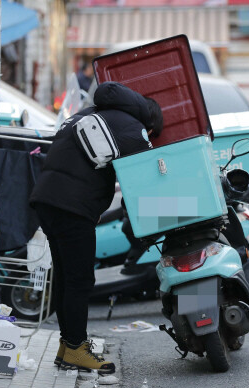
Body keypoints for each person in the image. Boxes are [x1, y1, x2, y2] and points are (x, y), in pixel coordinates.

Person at [30, 82, 163, 373]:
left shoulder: (91, 114)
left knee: (66, 277)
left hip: (46, 200)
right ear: (149, 123)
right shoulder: (133, 128)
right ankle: (77, 348)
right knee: (80, 280)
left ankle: (68, 346)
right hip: (71, 206)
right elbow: (144, 178)